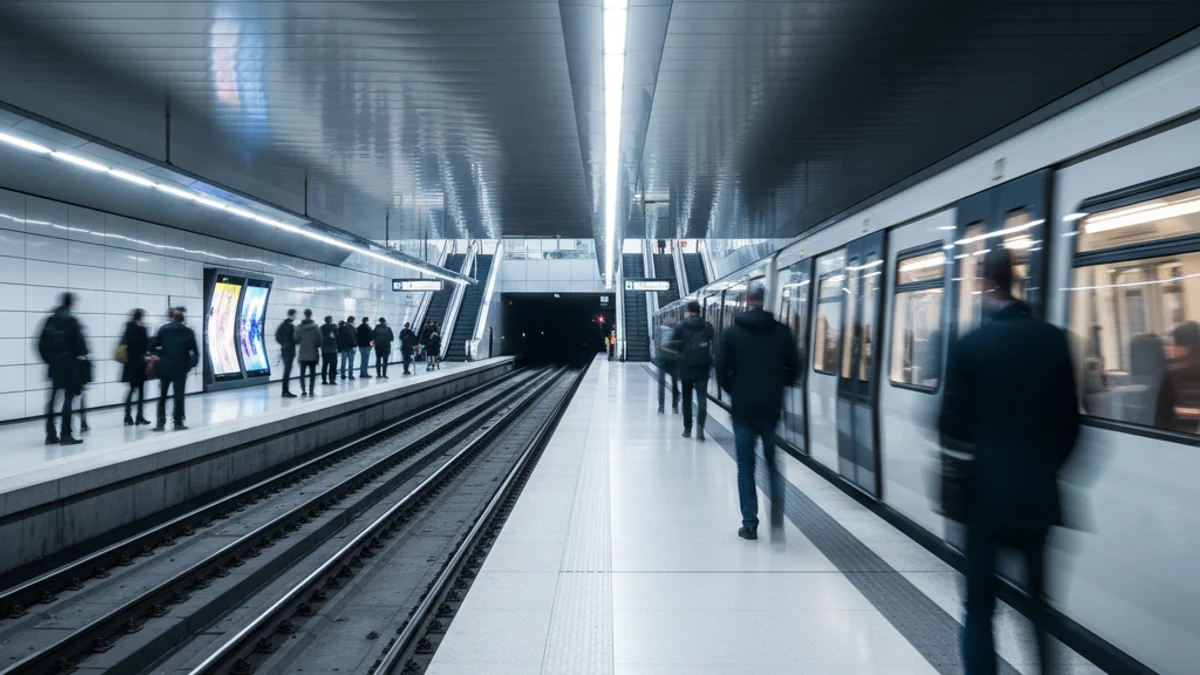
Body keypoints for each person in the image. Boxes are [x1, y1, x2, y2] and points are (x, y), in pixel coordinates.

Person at [938, 248, 1080, 675]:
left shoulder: (972, 345)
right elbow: (1073, 425)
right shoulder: (1054, 340)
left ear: (985, 285)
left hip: (983, 501)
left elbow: (948, 425)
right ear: (1014, 283)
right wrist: (1044, 467)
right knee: (1038, 605)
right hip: (1038, 499)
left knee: (979, 607)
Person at [716, 284, 800, 541]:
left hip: (743, 409)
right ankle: (776, 515)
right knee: (773, 464)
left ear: (745, 301)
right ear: (764, 301)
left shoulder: (732, 333)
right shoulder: (782, 332)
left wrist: (736, 390)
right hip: (770, 408)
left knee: (745, 466)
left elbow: (720, 371)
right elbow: (796, 367)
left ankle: (750, 523)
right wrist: (778, 385)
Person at [38, 292, 89, 445]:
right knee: (68, 398)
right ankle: (66, 434)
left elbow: (40, 345)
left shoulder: (49, 320)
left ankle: (50, 434)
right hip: (70, 367)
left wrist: (50, 361)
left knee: (52, 399)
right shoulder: (71, 321)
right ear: (71, 304)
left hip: (54, 366)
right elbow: (82, 346)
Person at [672, 301, 716, 440]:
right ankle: (700, 429)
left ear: (688, 311)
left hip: (686, 368)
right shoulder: (708, 326)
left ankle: (687, 429)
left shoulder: (681, 326)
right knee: (702, 399)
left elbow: (674, 344)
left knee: (687, 399)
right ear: (699, 311)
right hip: (703, 367)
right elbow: (712, 343)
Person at [152, 308, 199, 431]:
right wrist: (190, 365)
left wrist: (158, 354)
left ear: (172, 317)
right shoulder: (188, 332)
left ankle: (160, 423)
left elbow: (153, 345)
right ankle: (178, 422)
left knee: (162, 396)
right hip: (181, 369)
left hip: (164, 368)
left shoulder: (163, 330)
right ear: (182, 319)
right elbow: (195, 352)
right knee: (179, 396)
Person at [1155, 321, 1200, 434]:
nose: (1170, 347)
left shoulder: (1173, 376)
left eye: (1174, 343)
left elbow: (1161, 422)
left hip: (1180, 445)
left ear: (1186, 347)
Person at [121, 308, 152, 424]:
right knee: (140, 392)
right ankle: (139, 416)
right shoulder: (141, 329)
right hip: (139, 365)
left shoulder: (128, 328)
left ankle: (127, 416)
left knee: (131, 390)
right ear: (141, 317)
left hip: (129, 364)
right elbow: (145, 346)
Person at [656, 316, 680, 414]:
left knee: (662, 383)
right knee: (674, 382)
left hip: (663, 359)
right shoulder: (677, 329)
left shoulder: (660, 329)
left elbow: (657, 344)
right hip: (672, 359)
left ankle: (662, 407)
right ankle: (674, 405)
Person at [295, 309, 321, 396]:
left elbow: (296, 340)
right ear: (311, 315)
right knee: (312, 374)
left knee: (302, 374)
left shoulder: (300, 327)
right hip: (313, 354)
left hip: (302, 354)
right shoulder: (316, 327)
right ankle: (311, 391)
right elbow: (320, 340)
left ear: (304, 314)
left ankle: (303, 391)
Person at [275, 309, 298, 398]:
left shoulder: (289, 325)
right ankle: (285, 391)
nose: (295, 317)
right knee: (287, 371)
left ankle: (286, 390)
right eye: (294, 315)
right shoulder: (286, 325)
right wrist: (285, 344)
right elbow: (278, 336)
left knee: (287, 371)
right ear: (291, 315)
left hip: (289, 350)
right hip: (287, 351)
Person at [320, 315, 339, 385]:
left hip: (324, 349)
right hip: (333, 349)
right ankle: (332, 379)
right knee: (333, 365)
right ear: (331, 320)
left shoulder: (322, 328)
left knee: (325, 365)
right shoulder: (334, 328)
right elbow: (337, 337)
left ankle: (324, 380)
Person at [339, 316, 358, 381]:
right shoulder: (352, 328)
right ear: (352, 321)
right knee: (351, 362)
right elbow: (355, 338)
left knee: (343, 362)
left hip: (344, 347)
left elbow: (339, 337)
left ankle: (343, 375)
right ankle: (350, 375)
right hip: (351, 347)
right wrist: (355, 345)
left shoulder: (342, 327)